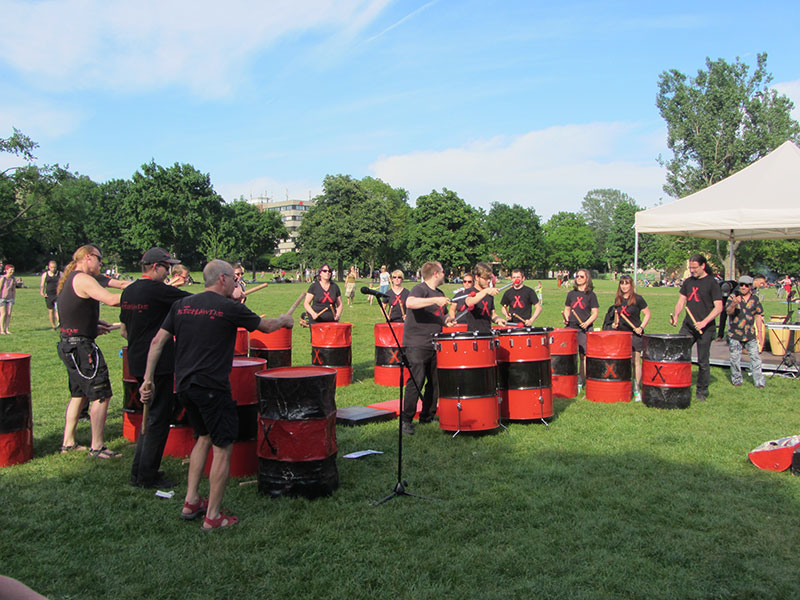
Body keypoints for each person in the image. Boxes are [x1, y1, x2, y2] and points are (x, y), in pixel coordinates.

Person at [140, 260, 293, 530]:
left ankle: (191, 501)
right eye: (234, 278)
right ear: (222, 279)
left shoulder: (181, 305)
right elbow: (267, 326)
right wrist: (284, 320)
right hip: (212, 388)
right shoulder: (229, 307)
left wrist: (147, 379)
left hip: (184, 387)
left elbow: (157, 342)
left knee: (203, 437)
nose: (236, 282)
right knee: (223, 447)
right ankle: (213, 516)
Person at [120, 248, 191, 488]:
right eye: (167, 267)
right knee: (158, 418)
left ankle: (139, 471)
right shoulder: (158, 290)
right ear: (155, 267)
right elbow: (193, 301)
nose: (169, 272)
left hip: (136, 360)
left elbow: (124, 330)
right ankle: (146, 475)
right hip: (158, 362)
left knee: (148, 415)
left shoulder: (129, 291)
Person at [56, 245, 122, 457]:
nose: (101, 263)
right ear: (87, 257)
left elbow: (73, 313)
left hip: (70, 345)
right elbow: (111, 299)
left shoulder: (72, 278)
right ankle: (97, 446)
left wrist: (92, 326)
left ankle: (68, 443)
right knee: (101, 394)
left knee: (79, 395)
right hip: (81, 348)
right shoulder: (83, 279)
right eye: (99, 258)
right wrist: (142, 297)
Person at [401, 261, 453, 435]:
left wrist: (448, 319)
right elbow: (410, 303)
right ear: (436, 274)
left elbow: (440, 316)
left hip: (435, 343)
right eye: (443, 271)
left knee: (434, 382)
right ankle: (406, 419)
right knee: (417, 381)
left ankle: (427, 416)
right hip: (417, 343)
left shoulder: (440, 293)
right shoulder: (420, 289)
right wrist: (435, 300)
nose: (445, 274)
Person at [670, 254, 723, 402]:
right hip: (688, 326)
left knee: (702, 361)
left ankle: (702, 391)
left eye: (694, 268)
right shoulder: (688, 282)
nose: (692, 270)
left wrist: (704, 322)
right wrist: (676, 315)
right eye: (690, 267)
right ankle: (678, 385)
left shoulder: (712, 283)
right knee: (679, 354)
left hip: (705, 328)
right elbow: (681, 301)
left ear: (703, 266)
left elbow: (719, 307)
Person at [609, 275, 651, 400]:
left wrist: (641, 327)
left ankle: (636, 388)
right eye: (622, 283)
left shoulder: (638, 299)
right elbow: (617, 316)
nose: (624, 286)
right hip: (622, 335)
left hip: (635, 334)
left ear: (631, 285)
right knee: (623, 361)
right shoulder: (618, 299)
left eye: (626, 283)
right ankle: (624, 386)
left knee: (635, 361)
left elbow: (647, 314)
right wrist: (615, 324)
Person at [726, 275, 766, 388]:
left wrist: (760, 333)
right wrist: (734, 304)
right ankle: (737, 380)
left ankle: (759, 382)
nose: (743, 287)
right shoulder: (733, 297)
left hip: (750, 334)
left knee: (755, 358)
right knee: (735, 359)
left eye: (746, 285)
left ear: (750, 287)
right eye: (741, 285)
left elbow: (758, 316)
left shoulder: (755, 299)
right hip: (735, 333)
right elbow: (728, 312)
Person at [563, 268, 599, 390]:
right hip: (571, 328)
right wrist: (566, 318)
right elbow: (567, 309)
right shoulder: (571, 294)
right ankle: (569, 381)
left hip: (584, 329)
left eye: (581, 276)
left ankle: (581, 382)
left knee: (583, 356)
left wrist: (587, 323)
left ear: (587, 279)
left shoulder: (591, 295)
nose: (578, 278)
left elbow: (595, 313)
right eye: (577, 276)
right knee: (569, 355)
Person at [462, 262, 506, 333]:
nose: (488, 281)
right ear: (477, 277)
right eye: (486, 278)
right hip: (474, 335)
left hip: (488, 333)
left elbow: (492, 314)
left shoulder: (489, 295)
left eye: (490, 278)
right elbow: (469, 302)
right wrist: (485, 291)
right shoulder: (469, 291)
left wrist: (498, 319)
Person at [40, 260, 61, 329]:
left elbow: (64, 282)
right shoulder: (45, 274)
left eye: (54, 267)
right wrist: (42, 292)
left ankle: (60, 323)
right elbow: (42, 284)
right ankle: (53, 326)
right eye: (52, 267)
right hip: (49, 295)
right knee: (51, 310)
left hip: (58, 294)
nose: (53, 269)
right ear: (49, 267)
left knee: (58, 309)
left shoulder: (60, 274)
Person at [0, 264, 18, 334]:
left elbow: (13, 289)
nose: (12, 271)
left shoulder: (13, 279)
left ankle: (6, 329)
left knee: (9, 314)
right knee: (3, 314)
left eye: (13, 270)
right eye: (11, 270)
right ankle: (1, 330)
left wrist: (13, 298)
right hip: (2, 298)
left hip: (10, 298)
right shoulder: (3, 278)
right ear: (6, 270)